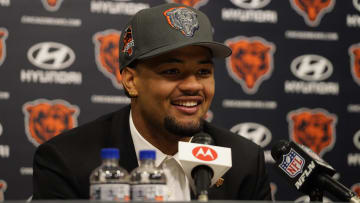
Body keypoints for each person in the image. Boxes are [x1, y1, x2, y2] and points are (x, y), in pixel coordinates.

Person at [32, 3, 272, 201]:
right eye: (172, 71)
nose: (193, 86)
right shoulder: (67, 161)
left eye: (203, 72)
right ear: (131, 81)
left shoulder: (243, 160)